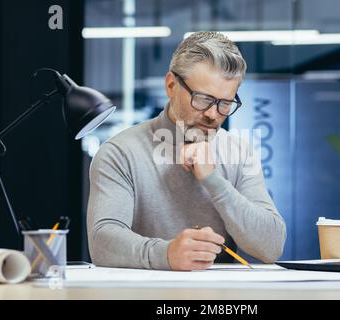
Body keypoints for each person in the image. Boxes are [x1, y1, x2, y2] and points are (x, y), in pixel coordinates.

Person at [87, 31, 286, 271]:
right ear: (171, 85)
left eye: (225, 103)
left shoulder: (239, 151)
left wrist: (214, 181)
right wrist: (167, 254)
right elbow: (101, 242)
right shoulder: (119, 152)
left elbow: (272, 246)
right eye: (203, 99)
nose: (213, 114)